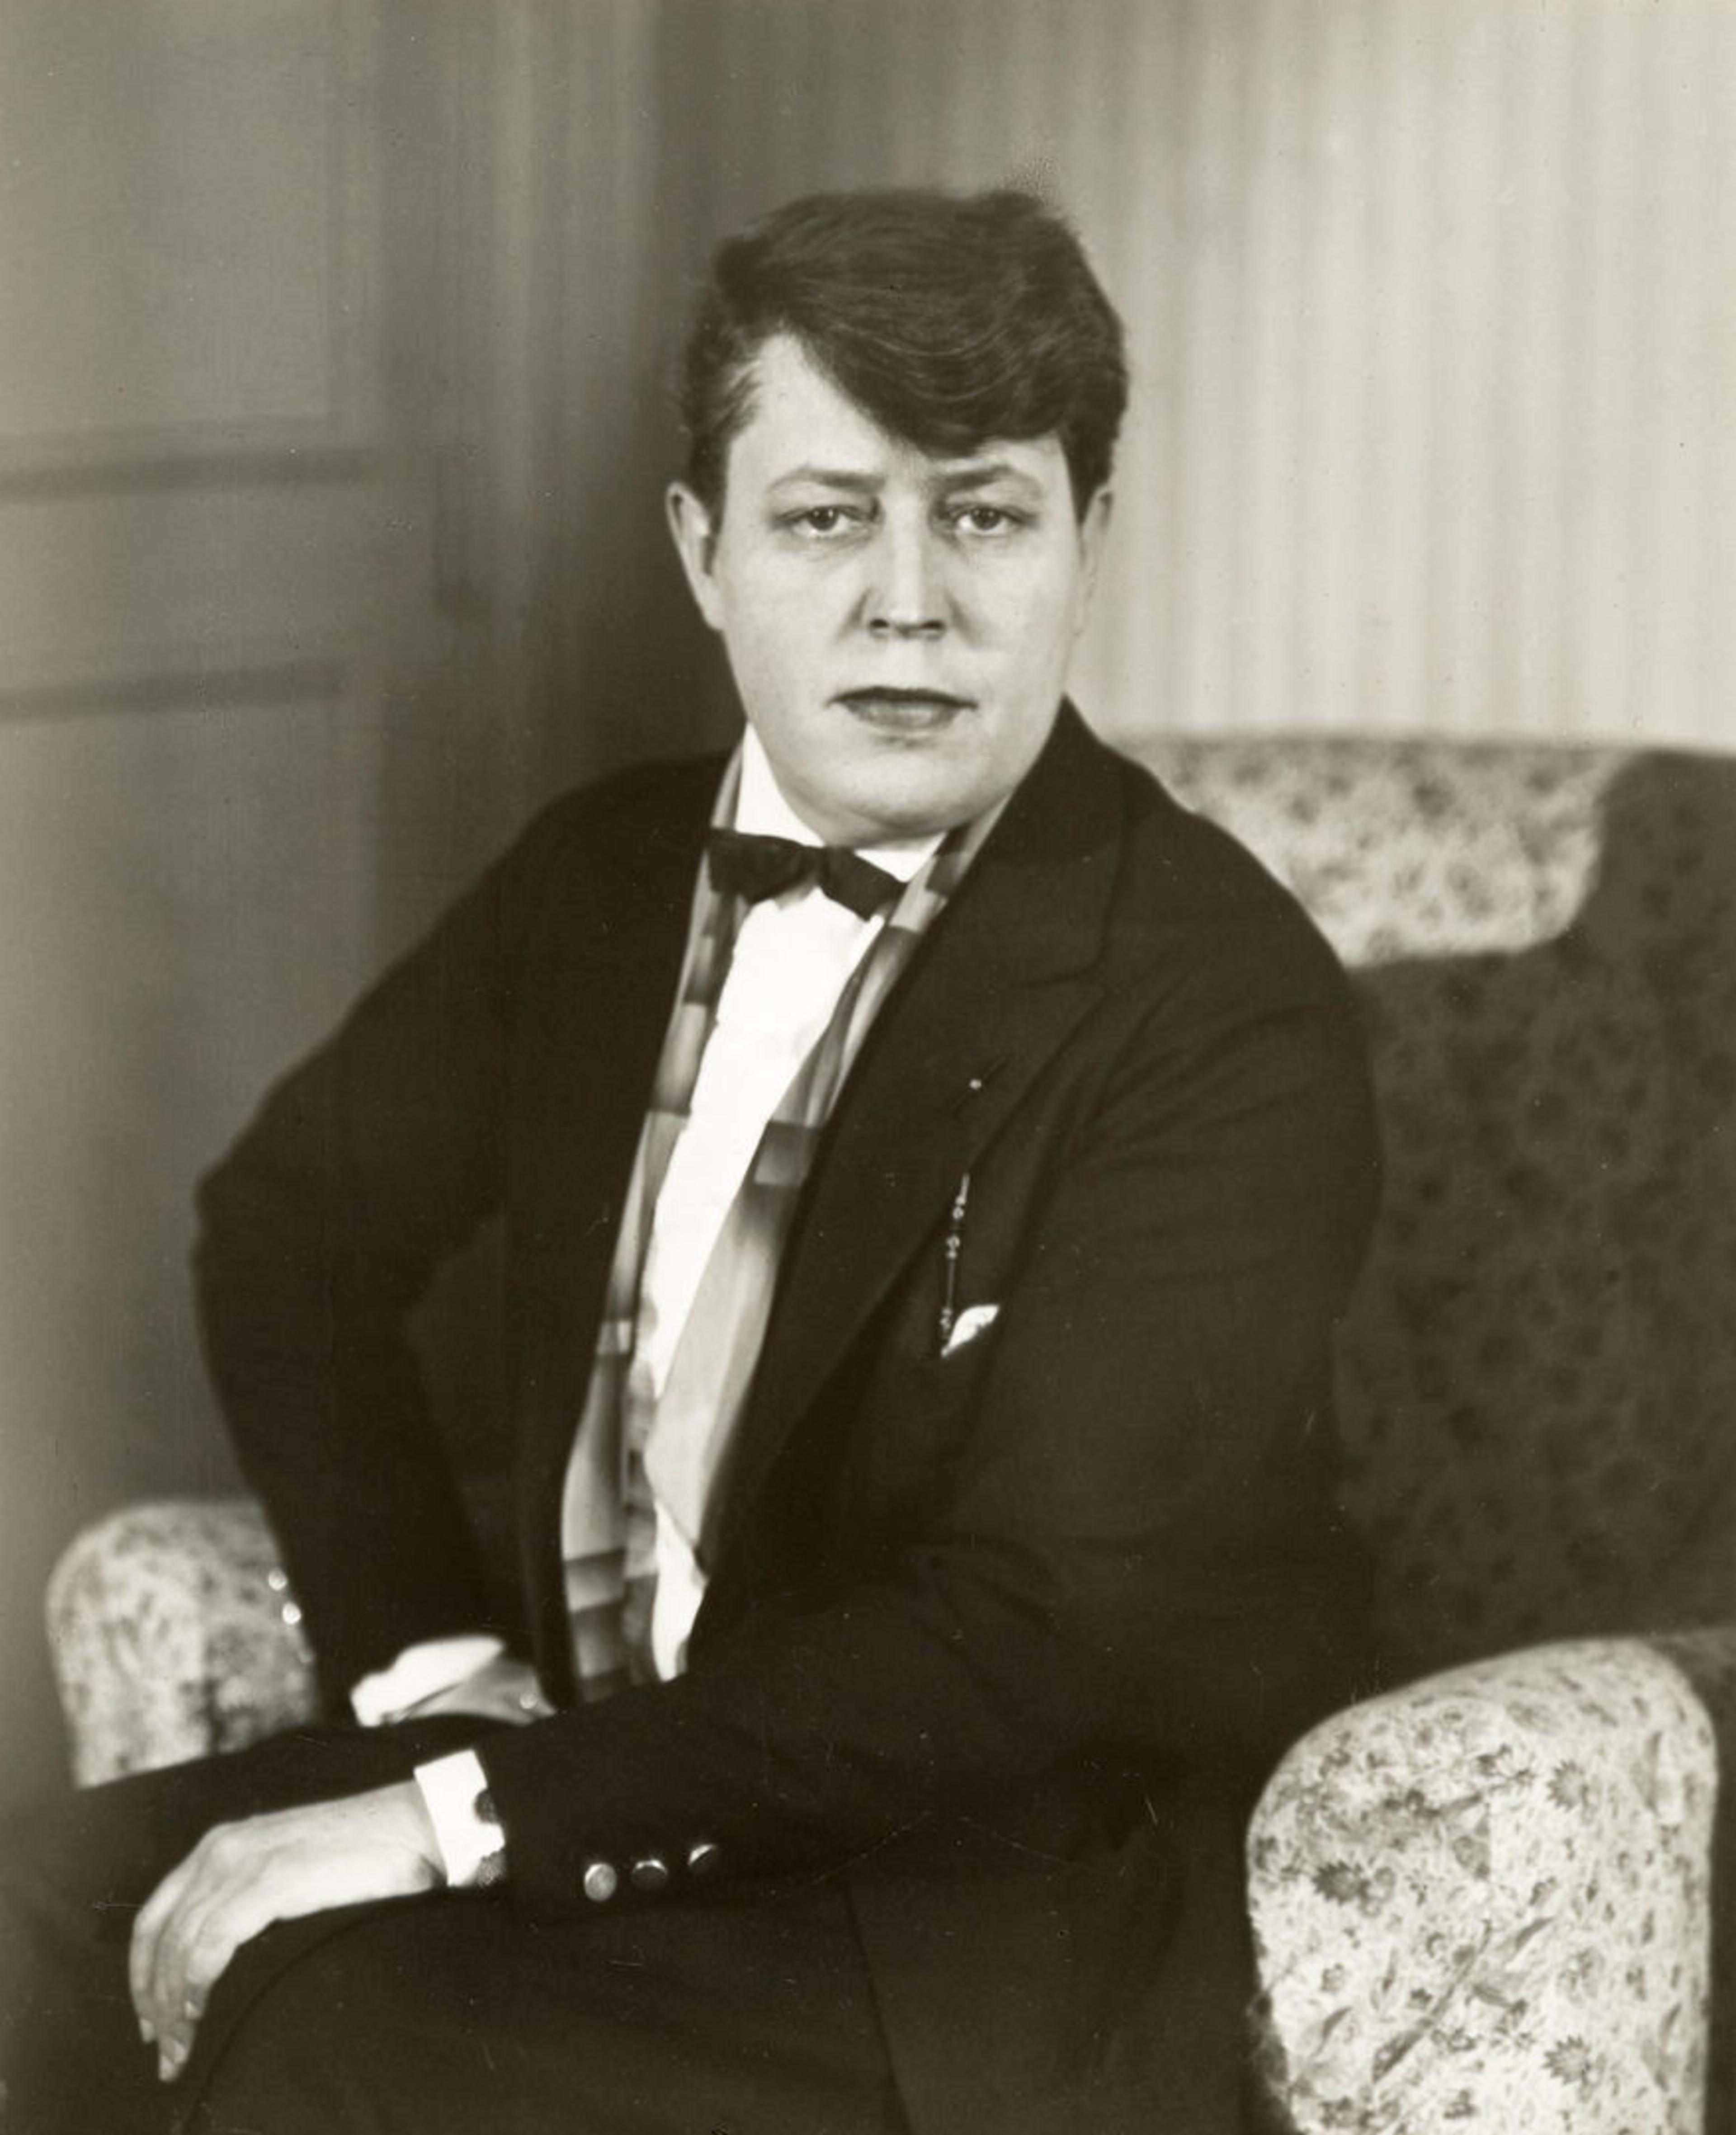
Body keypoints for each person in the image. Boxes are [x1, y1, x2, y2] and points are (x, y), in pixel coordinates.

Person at [0, 186, 1380, 2135]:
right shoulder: (599, 877)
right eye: (827, 515)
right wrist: (433, 1675)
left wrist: (464, 1815)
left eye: (982, 511)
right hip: (576, 1773)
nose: (910, 598)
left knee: (338, 2024)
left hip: (950, 1909)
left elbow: (1032, 1634)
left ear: (1090, 548)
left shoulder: (1227, 1006)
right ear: (701, 551)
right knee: (31, 1923)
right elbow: (288, 1228)